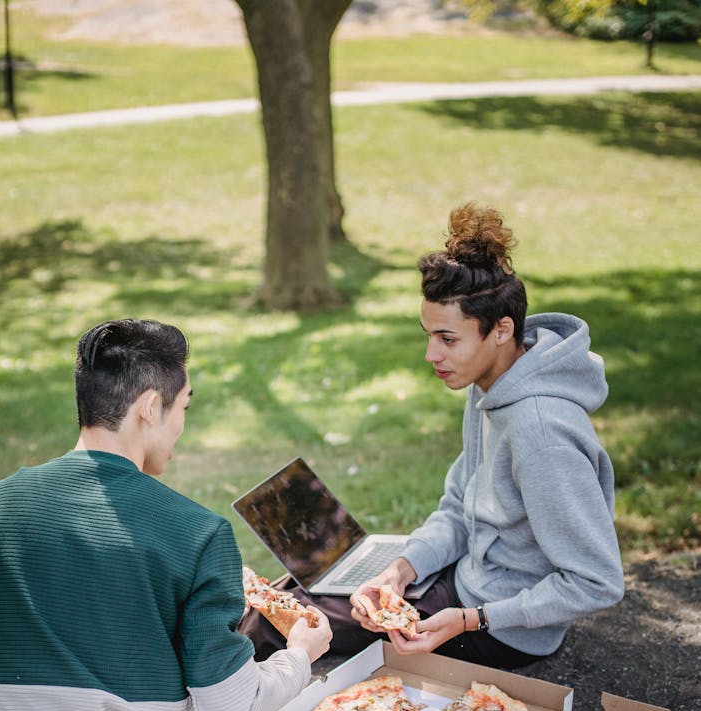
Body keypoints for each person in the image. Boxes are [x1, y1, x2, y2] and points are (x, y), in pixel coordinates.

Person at [0, 319, 331, 711]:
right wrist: (299, 654)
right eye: (185, 409)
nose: (182, 428)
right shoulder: (198, 533)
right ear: (151, 408)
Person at [242, 202, 623, 670]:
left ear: (502, 330)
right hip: (467, 585)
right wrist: (399, 570)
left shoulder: (541, 435)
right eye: (428, 335)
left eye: (447, 339)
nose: (430, 355)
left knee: (278, 620)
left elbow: (597, 581)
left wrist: (467, 620)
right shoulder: (490, 386)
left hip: (499, 631)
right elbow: (460, 511)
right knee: (297, 589)